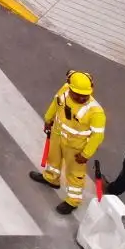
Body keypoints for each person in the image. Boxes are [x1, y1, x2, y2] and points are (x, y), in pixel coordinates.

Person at [37, 71, 105, 213]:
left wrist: (86, 154)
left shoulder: (96, 112)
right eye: (77, 94)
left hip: (76, 147)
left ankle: (72, 201)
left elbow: (97, 136)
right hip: (57, 133)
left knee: (74, 173)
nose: (81, 97)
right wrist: (48, 119)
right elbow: (55, 103)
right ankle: (51, 178)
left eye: (85, 95)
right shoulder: (65, 90)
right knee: (53, 159)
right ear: (70, 87)